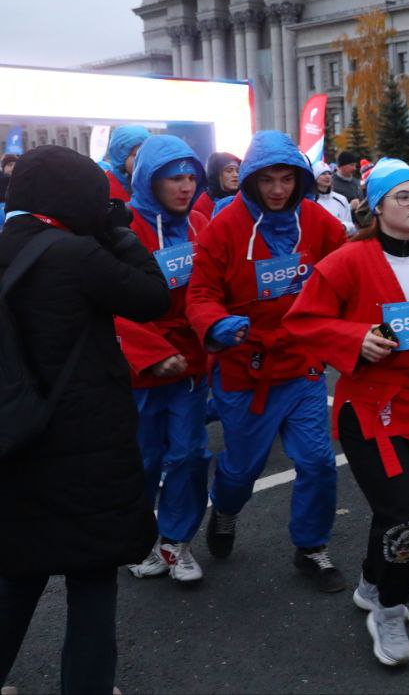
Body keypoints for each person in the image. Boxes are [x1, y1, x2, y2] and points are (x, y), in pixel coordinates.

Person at [285, 158, 409, 666]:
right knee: (407, 516)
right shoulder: (348, 260)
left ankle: (373, 582)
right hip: (367, 407)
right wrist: (356, 339)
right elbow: (302, 320)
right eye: (404, 197)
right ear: (377, 207)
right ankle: (390, 611)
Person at [0, 145, 171, 694]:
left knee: (20, 571)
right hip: (85, 444)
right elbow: (151, 296)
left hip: (16, 437)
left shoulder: (9, 247)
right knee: (92, 576)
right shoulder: (75, 254)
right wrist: (117, 233)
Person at [186, 131, 349, 592]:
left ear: (299, 180)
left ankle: (311, 547)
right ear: (251, 181)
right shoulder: (224, 227)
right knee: (242, 469)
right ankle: (226, 509)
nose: (278, 190)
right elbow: (200, 294)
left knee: (317, 462)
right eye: (267, 180)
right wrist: (215, 323)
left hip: (301, 365)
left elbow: (351, 267)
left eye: (286, 179)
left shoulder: (318, 223)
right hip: (246, 369)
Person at [115, 136, 212, 585]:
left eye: (191, 176)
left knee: (191, 454)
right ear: (150, 179)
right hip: (142, 371)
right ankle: (141, 540)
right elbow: (110, 302)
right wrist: (152, 354)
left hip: (190, 366)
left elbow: (211, 289)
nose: (186, 186)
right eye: (175, 177)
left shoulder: (199, 225)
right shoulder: (122, 229)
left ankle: (176, 542)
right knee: (143, 460)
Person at [104, 125, 150, 203]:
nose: (143, 160)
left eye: (147, 154)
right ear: (120, 155)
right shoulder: (105, 186)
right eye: (136, 155)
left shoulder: (150, 182)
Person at [313, 160, 357, 236]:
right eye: (323, 174)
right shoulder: (310, 201)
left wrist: (344, 227)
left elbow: (352, 228)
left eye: (329, 173)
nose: (327, 176)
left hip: (341, 244)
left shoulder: (341, 199)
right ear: (315, 178)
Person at [194, 151, 241, 218]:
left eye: (238, 171)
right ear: (216, 174)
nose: (236, 175)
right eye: (229, 171)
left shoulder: (246, 198)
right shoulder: (203, 204)